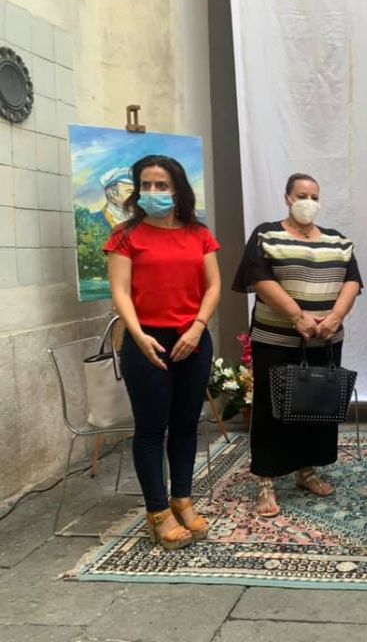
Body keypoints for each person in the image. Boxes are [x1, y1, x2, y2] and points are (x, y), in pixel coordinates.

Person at [106, 155, 221, 550]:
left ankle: (182, 499)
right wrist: (138, 336)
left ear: (177, 190)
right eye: (146, 185)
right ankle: (157, 511)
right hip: (147, 341)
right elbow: (120, 291)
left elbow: (213, 286)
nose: (153, 192)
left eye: (162, 185)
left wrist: (198, 326)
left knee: (186, 424)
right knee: (151, 429)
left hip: (193, 339)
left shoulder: (198, 233)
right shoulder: (125, 236)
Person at [233, 173, 362, 517]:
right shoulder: (266, 235)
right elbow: (259, 278)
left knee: (315, 407)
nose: (308, 202)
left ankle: (307, 470)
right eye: (302, 195)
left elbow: (352, 281)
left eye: (314, 196)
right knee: (271, 408)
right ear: (288, 198)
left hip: (325, 340)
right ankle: (266, 479)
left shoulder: (338, 241)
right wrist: (296, 316)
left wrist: (336, 316)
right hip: (277, 339)